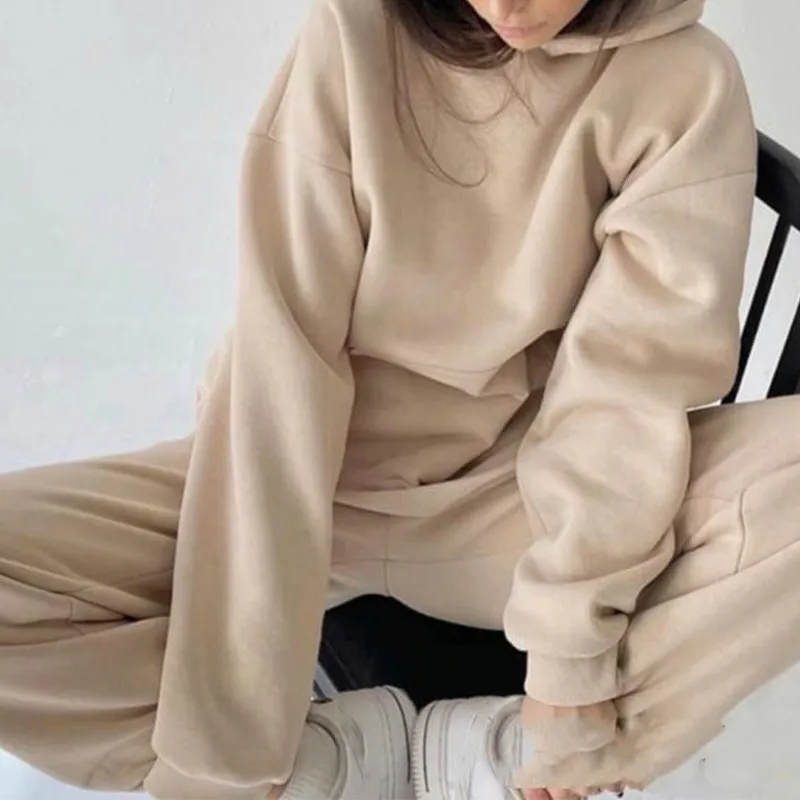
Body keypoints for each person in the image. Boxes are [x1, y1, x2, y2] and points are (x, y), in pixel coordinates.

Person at [3, 0, 800, 798]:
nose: (507, 6)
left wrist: (568, 671)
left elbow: (621, 389)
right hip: (318, 481)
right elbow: (281, 366)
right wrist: (231, 753)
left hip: (508, 501)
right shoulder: (356, 35)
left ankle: (500, 751)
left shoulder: (684, 82)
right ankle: (333, 762)